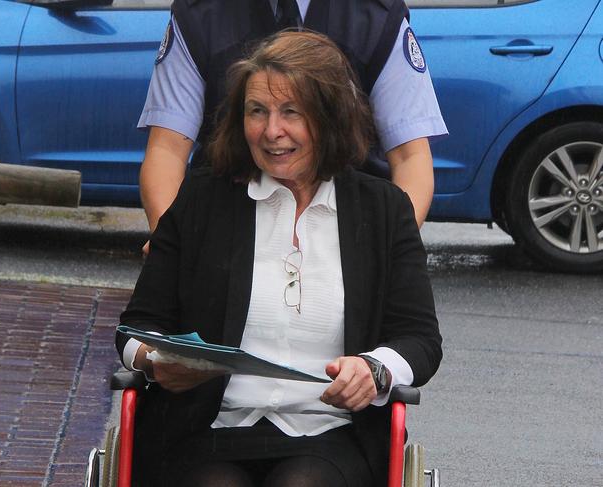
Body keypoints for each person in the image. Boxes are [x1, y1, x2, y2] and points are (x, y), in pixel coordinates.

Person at [117, 31, 441, 487]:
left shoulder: (383, 210)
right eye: (257, 112)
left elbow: (419, 338)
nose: (272, 131)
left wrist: (375, 369)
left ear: (329, 118)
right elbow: (138, 326)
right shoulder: (201, 201)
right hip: (207, 428)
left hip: (331, 432)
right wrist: (153, 360)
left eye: (292, 112)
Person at [138, 0, 447, 245]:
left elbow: (411, 158)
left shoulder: (374, 14)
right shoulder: (201, 13)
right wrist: (170, 244)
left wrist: (393, 252)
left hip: (350, 230)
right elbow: (167, 151)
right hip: (226, 233)